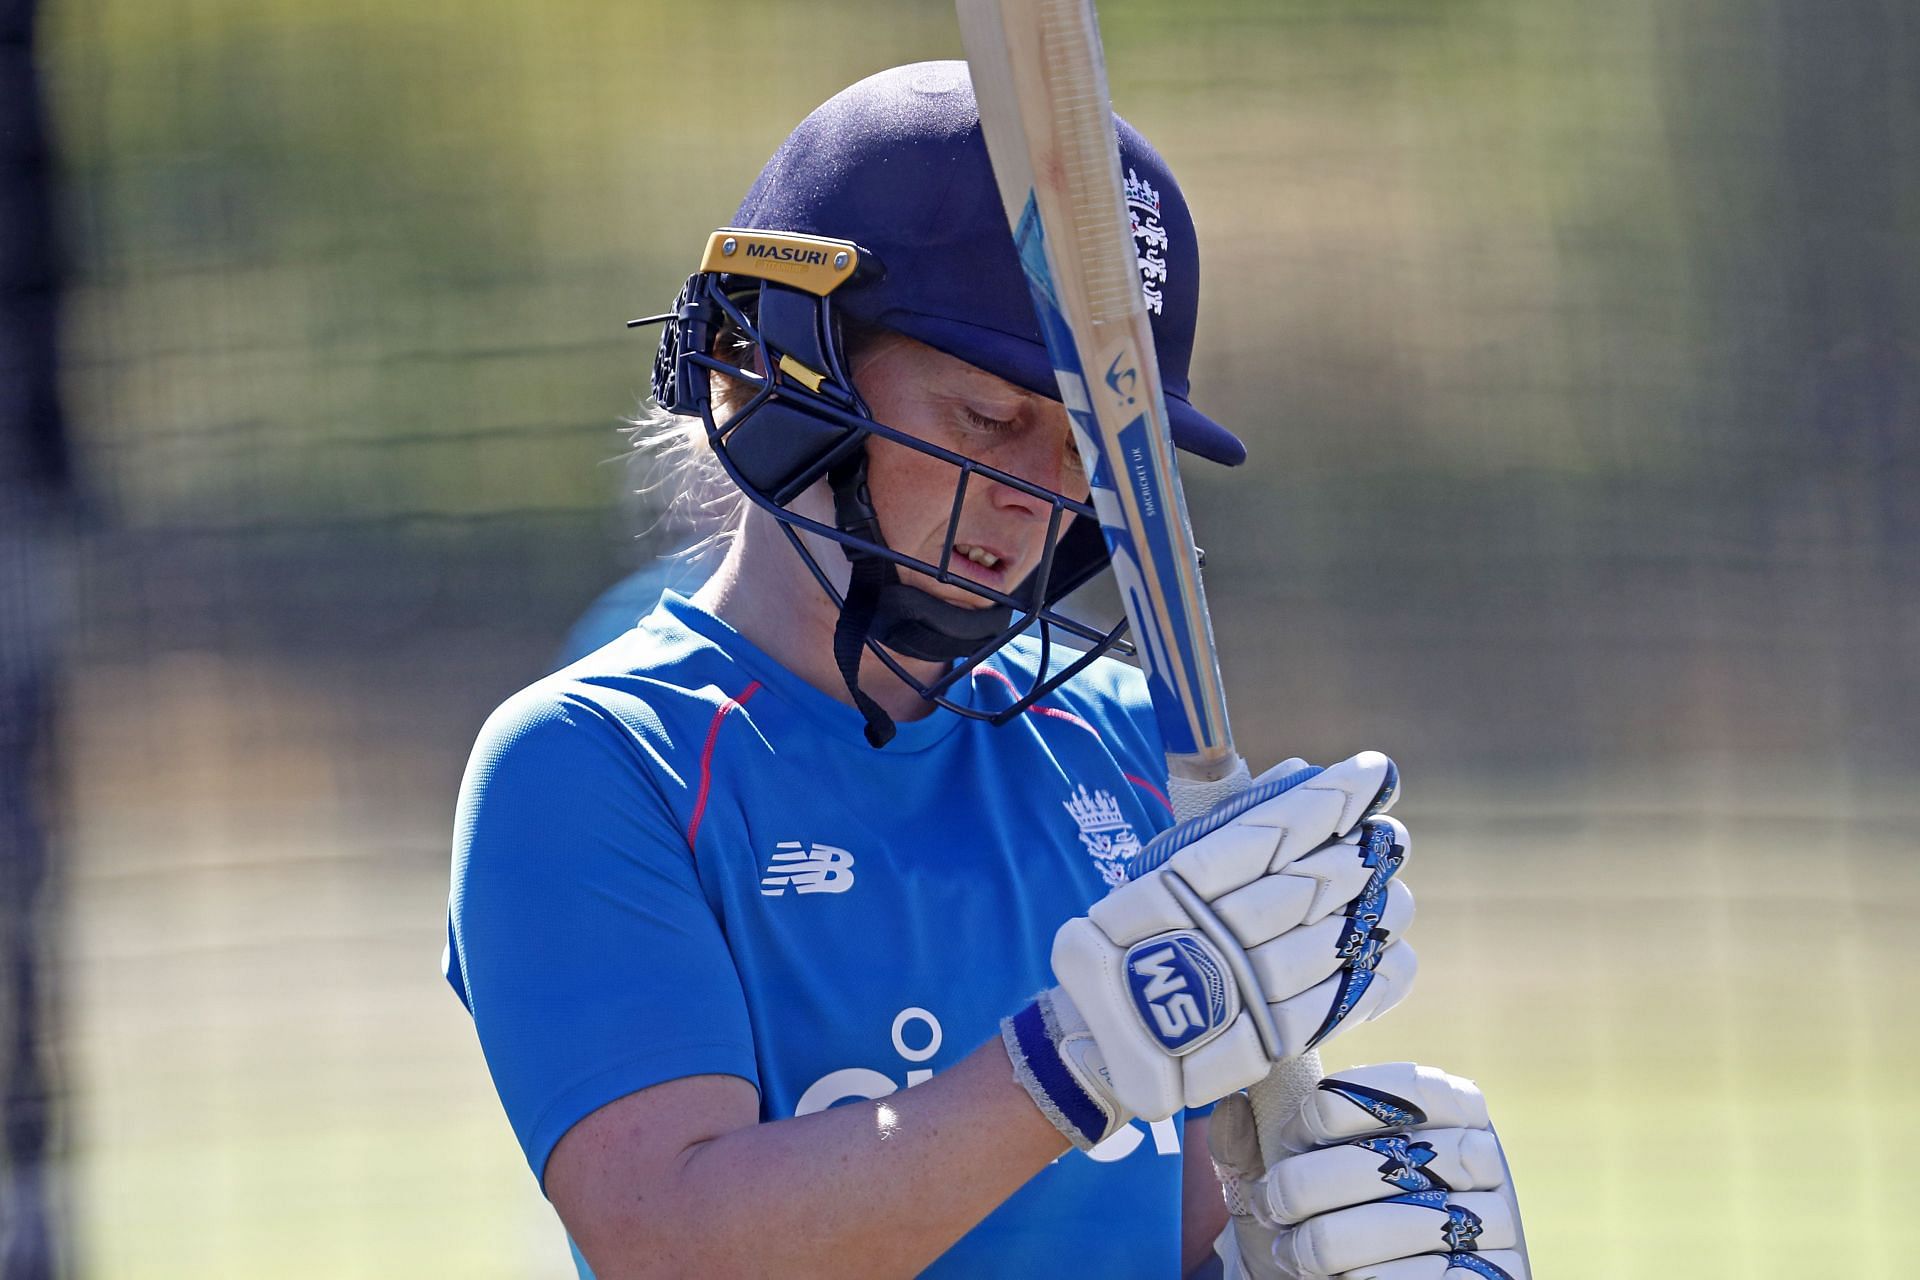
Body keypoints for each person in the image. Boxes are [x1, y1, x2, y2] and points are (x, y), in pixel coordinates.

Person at [445, 62, 1529, 1279]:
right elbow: (674, 1239)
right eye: (984, 419)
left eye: (1085, 447)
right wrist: (1068, 1063)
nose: (1035, 496)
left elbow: (1161, 1231)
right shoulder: (592, 762)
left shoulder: (1124, 738)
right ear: (789, 363)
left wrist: (1294, 1253)